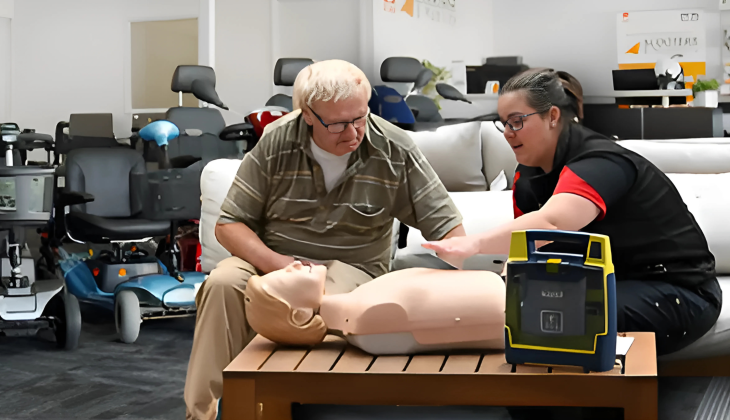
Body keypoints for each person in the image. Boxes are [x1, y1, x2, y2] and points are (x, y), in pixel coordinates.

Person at [184, 59, 466, 420]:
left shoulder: (395, 149)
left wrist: (470, 284)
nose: (352, 133)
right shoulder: (276, 142)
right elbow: (230, 224)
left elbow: (448, 229)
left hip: (354, 269)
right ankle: (201, 415)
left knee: (318, 299)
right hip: (276, 262)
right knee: (223, 283)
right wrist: (279, 265)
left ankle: (281, 407)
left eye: (360, 118)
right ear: (308, 116)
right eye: (337, 124)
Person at [424, 68, 722, 357]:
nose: (508, 134)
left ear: (552, 116)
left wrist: (472, 244)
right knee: (521, 312)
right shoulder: (527, 175)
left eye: (516, 122)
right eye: (503, 124)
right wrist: (504, 292)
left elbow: (551, 224)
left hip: (679, 292)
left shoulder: (602, 162)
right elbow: (528, 247)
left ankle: (597, 406)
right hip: (606, 282)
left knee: (564, 316)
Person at [244, 260, 505, 354]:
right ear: (299, 316)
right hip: (512, 309)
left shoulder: (363, 303)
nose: (294, 264)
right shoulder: (369, 317)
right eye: (286, 275)